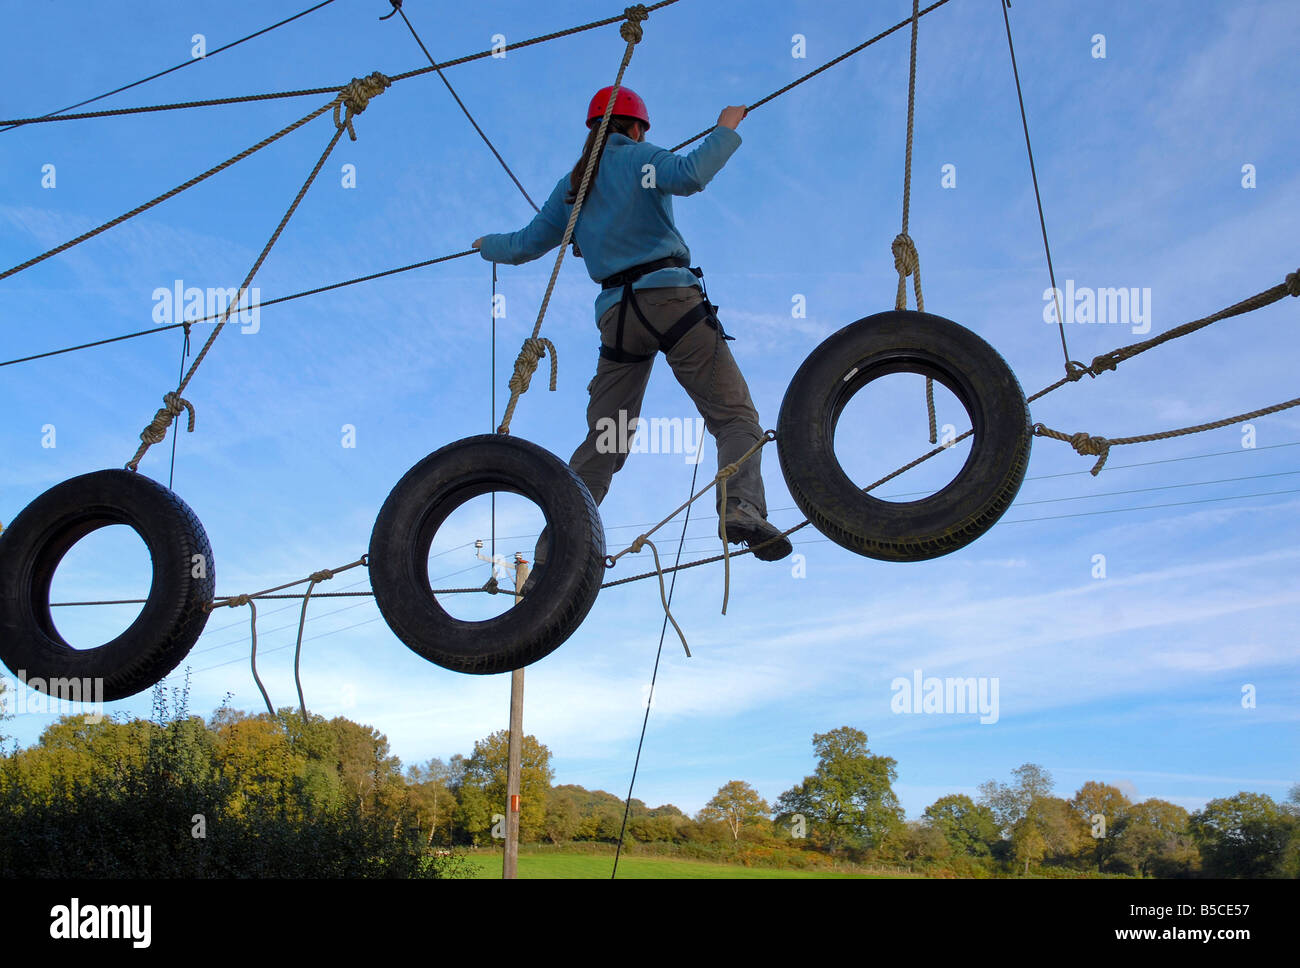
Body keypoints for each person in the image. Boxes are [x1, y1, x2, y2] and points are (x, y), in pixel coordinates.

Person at [473, 86, 791, 586]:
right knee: (735, 419)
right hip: (671, 302)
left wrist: (484, 245)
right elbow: (690, 176)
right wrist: (726, 127)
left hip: (619, 319)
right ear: (637, 127)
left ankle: (551, 557)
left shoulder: (573, 187)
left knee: (605, 441)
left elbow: (523, 246)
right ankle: (741, 508)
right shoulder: (640, 159)